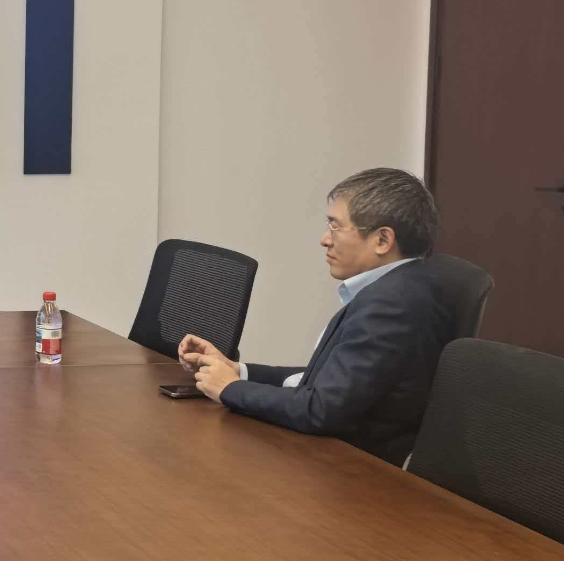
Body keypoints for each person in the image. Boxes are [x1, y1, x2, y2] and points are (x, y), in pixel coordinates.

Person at [178, 167, 454, 465]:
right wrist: (239, 371)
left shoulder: (392, 305)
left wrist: (231, 389)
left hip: (348, 470)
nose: (325, 239)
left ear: (382, 240)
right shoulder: (398, 288)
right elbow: (327, 379)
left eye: (335, 227)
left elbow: (321, 408)